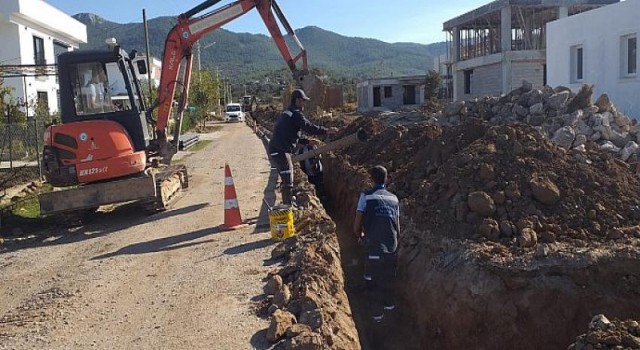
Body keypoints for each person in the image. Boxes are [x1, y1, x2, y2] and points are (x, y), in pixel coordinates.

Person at [268, 89, 337, 206]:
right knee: (288, 178)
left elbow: (290, 134)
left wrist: (307, 141)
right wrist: (326, 131)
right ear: (298, 101)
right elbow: (308, 126)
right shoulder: (296, 113)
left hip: (277, 148)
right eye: (303, 101)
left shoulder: (288, 112)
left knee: (287, 177)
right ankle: (287, 207)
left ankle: (287, 204)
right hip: (280, 151)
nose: (304, 104)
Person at [353, 165, 400, 323]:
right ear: (386, 179)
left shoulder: (366, 196)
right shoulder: (394, 198)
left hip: (375, 247)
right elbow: (397, 226)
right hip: (392, 248)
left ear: (371, 179)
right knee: (388, 280)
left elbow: (357, 223)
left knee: (374, 283)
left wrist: (360, 236)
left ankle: (377, 321)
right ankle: (391, 314)